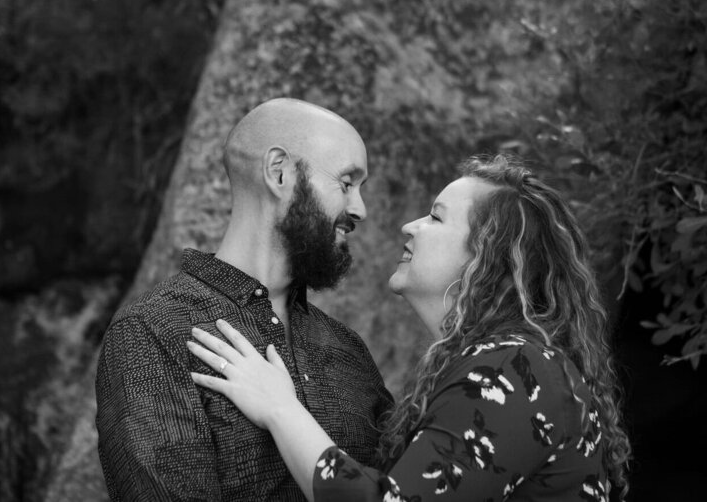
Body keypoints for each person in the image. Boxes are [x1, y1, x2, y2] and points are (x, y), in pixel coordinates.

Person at [189, 154, 632, 501]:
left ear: (485, 257)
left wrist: (279, 409)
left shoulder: (514, 369)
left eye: (436, 218)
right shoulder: (510, 362)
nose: (410, 226)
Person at [95, 98, 393, 501]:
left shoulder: (349, 351)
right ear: (279, 172)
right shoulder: (153, 331)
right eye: (346, 182)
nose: (360, 209)